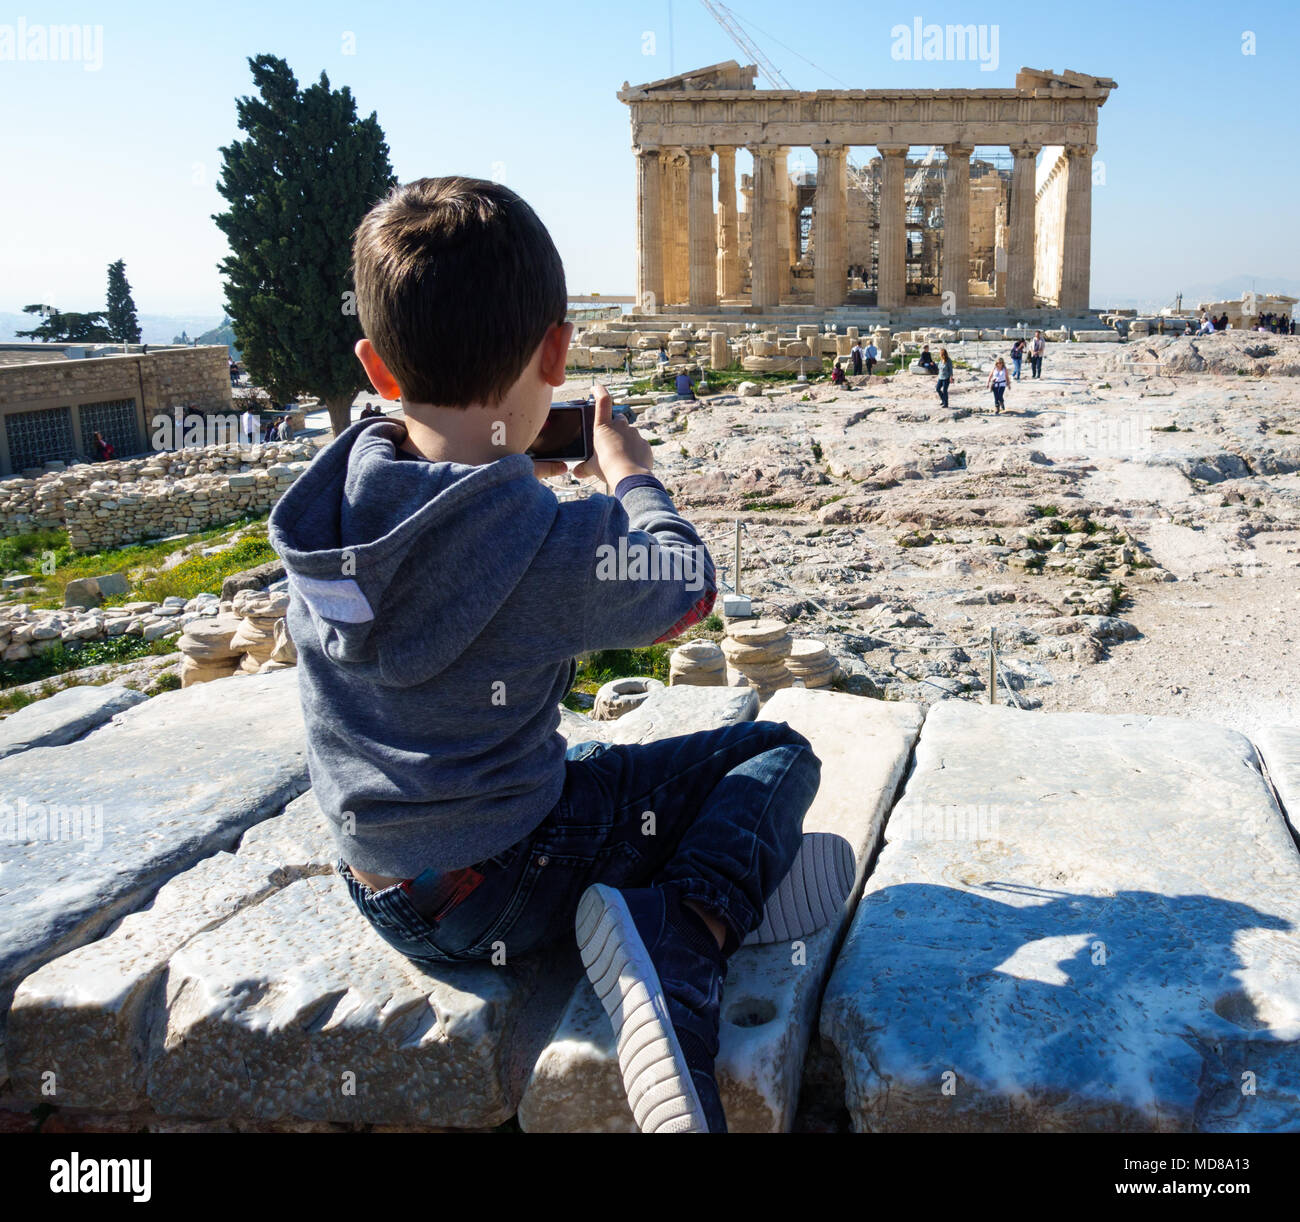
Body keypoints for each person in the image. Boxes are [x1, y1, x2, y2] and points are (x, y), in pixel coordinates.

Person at [267, 176, 825, 1134]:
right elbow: (686, 584)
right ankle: (683, 936)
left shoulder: (333, 502)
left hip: (385, 887)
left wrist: (510, 457)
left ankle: (664, 888)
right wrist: (632, 476)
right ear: (558, 351)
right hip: (509, 878)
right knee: (773, 755)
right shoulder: (545, 544)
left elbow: (436, 500)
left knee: (592, 765)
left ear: (377, 368)